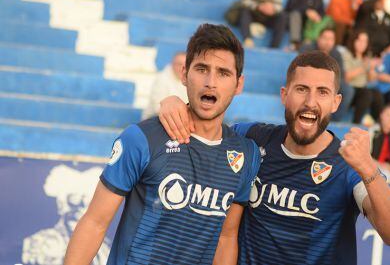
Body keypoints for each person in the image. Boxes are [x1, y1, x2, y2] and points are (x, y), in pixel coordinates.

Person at [159, 51, 390, 265]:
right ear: (284, 95)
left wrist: (368, 168)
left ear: (336, 102)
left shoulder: (348, 165)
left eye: (322, 92)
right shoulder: (252, 139)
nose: (310, 102)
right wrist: (175, 104)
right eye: (302, 89)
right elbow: (205, 130)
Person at [64, 24, 261, 265]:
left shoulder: (245, 154)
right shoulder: (142, 138)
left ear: (238, 84)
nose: (211, 82)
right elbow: (95, 222)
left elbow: (226, 237)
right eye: (202, 69)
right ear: (184, 74)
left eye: (223, 73)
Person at [22, 165, 110, 265]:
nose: (79, 206)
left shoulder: (105, 247)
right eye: (74, 199)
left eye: (86, 200)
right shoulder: (41, 242)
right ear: (61, 203)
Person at [300, 28, 354, 121]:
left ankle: (332, 120)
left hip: (329, 80)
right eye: (325, 38)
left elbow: (340, 74)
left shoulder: (336, 53)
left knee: (348, 90)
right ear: (318, 38)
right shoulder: (308, 48)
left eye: (331, 39)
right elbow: (300, 68)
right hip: (309, 78)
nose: (327, 42)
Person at [343, 30, 384, 123]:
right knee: (366, 94)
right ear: (354, 40)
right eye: (360, 40)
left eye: (365, 41)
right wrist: (366, 66)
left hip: (362, 89)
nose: (362, 44)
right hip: (350, 89)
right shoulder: (346, 54)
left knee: (377, 94)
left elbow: (370, 79)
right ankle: (356, 123)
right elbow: (347, 76)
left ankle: (378, 123)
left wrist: (373, 69)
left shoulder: (366, 57)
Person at [147, 52, 188, 116]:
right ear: (172, 64)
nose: (183, 68)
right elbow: (158, 108)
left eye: (186, 65)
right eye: (179, 64)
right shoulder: (162, 79)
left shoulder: (190, 81)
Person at [369, 103, 390, 178]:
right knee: (386, 174)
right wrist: (381, 165)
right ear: (381, 115)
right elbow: (367, 156)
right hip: (374, 166)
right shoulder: (372, 131)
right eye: (388, 115)